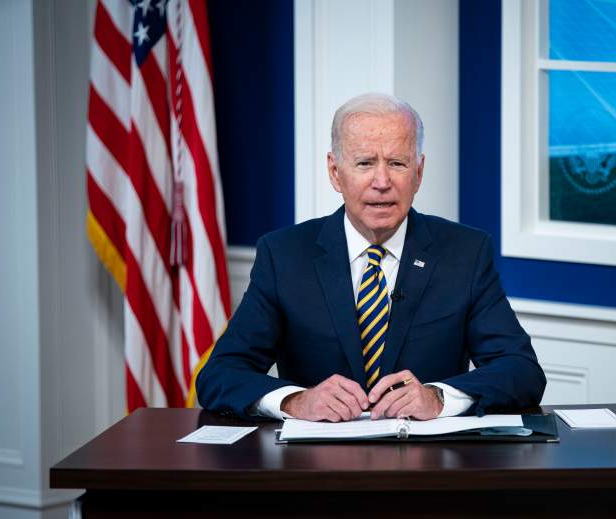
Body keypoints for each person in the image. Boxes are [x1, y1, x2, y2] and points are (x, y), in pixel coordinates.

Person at [197, 93, 546, 422]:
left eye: (397, 163)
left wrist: (438, 397)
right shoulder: (284, 255)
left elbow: (521, 370)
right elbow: (220, 374)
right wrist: (296, 401)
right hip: (316, 469)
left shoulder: (465, 253)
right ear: (335, 172)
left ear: (419, 172)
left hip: (429, 466)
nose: (382, 181)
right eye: (365, 163)